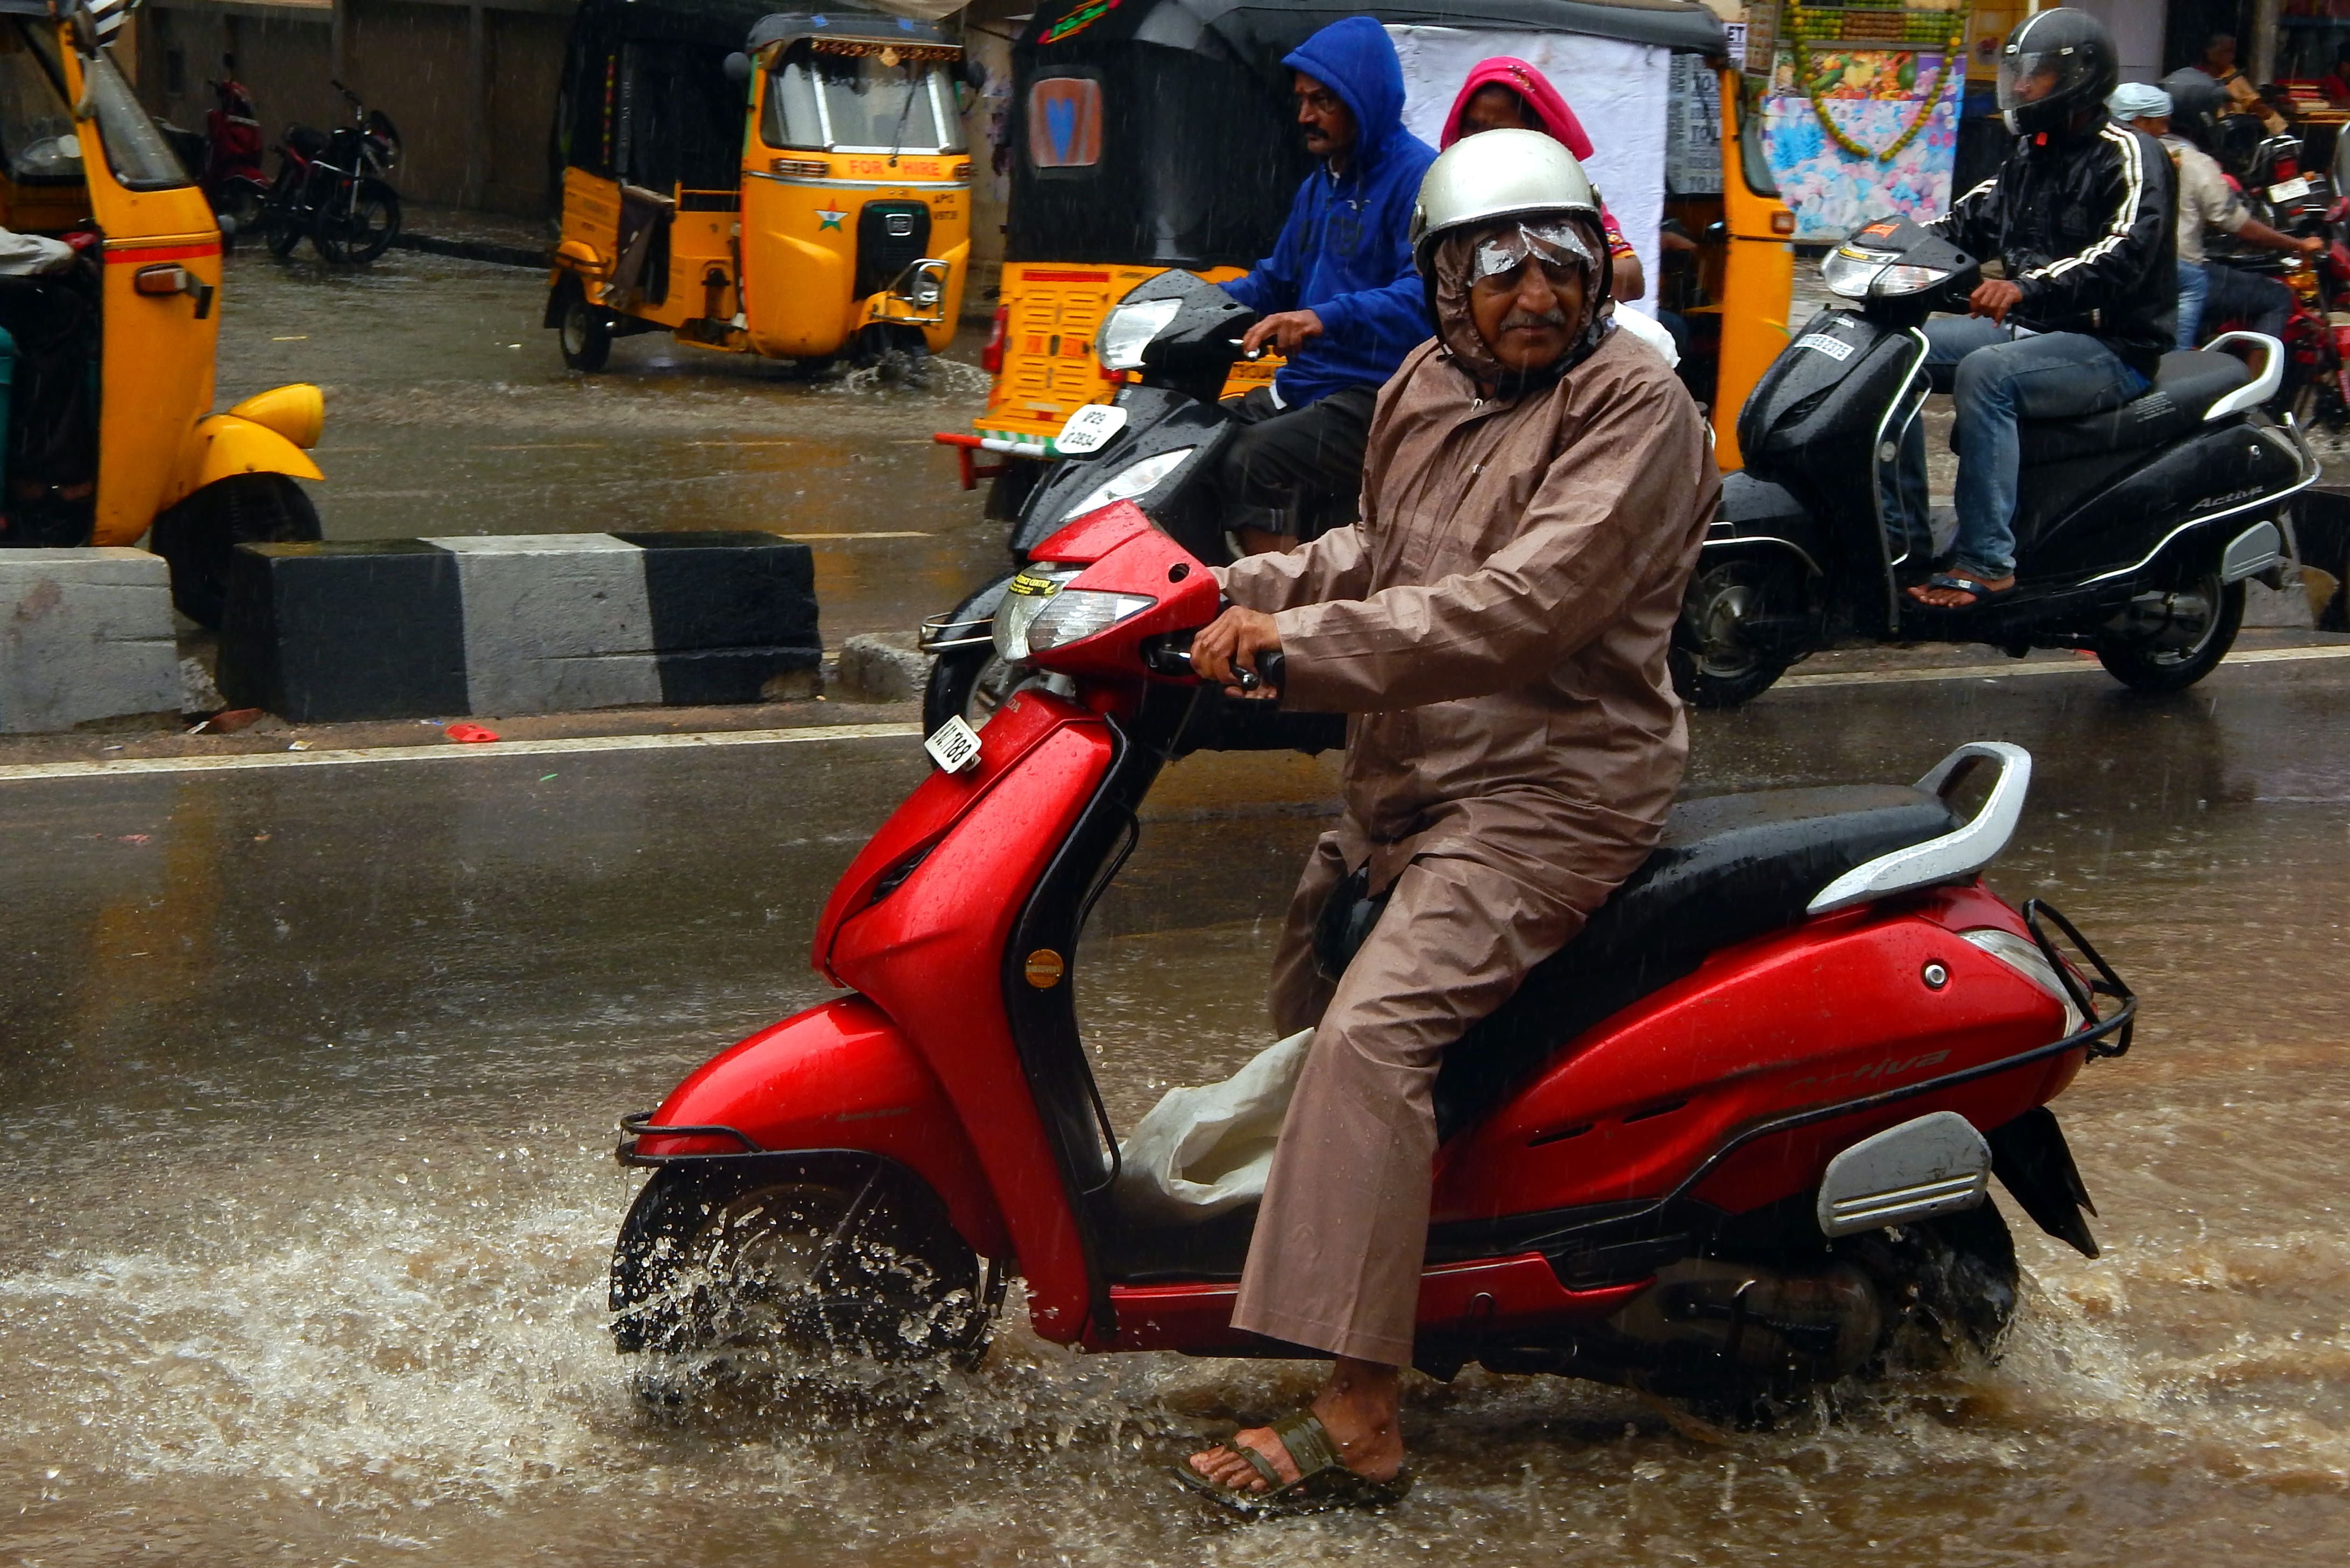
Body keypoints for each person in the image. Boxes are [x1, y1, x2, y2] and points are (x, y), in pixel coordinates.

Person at [1178, 129, 1719, 1513]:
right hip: (1413, 775)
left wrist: (1292, 652)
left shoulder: (1636, 407)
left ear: (1600, 266)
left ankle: (1363, 1412)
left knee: (1371, 1036)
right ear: (1437, 283)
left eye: (1558, 255)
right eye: (1493, 262)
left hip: (1552, 787)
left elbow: (1524, 605)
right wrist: (1234, 584)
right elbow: (1389, 553)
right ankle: (1361, 1265)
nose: (1531, 288)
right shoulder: (1425, 380)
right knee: (1307, 984)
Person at [1897, 10, 2175, 612]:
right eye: (2019, 74)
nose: (2021, 87)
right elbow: (1966, 222)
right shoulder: (2029, 154)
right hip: (2035, 332)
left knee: (1986, 373)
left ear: (2080, 77)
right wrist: (1889, 247)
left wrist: (2027, 288)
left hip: (2111, 348)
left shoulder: (2131, 154)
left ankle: (1987, 560)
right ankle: (1902, 538)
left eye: (2038, 75)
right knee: (1897, 355)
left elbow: (2125, 250)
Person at [1216, 18, 1439, 556]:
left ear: (1364, 99)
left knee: (1253, 458)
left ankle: (1285, 622)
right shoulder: (1321, 183)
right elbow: (1276, 279)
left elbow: (1423, 295)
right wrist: (1191, 305)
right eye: (1300, 100)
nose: (1304, 117)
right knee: (1195, 438)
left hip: (1378, 392)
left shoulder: (1420, 178)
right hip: (1309, 386)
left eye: (1321, 101)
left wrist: (1322, 318)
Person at [2108, 81, 2320, 346]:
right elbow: (2236, 223)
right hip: (2169, 269)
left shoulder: (2105, 153)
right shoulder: (2188, 161)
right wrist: (2299, 245)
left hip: (2117, 267)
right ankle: (2254, 384)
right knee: (2278, 297)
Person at [1438, 59, 1646, 300]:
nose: (1479, 142)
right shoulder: (1446, 195)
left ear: (1535, 137)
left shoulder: (1567, 193)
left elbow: (1631, 279)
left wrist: (1553, 276)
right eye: (1472, 127)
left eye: (1497, 132)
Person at [2196, 33, 2285, 136]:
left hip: (2236, 130)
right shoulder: (2198, 75)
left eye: (2232, 52)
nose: (2231, 57)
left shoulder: (2232, 74)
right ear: (2210, 53)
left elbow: (2252, 101)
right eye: (2227, 52)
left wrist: (2266, 112)